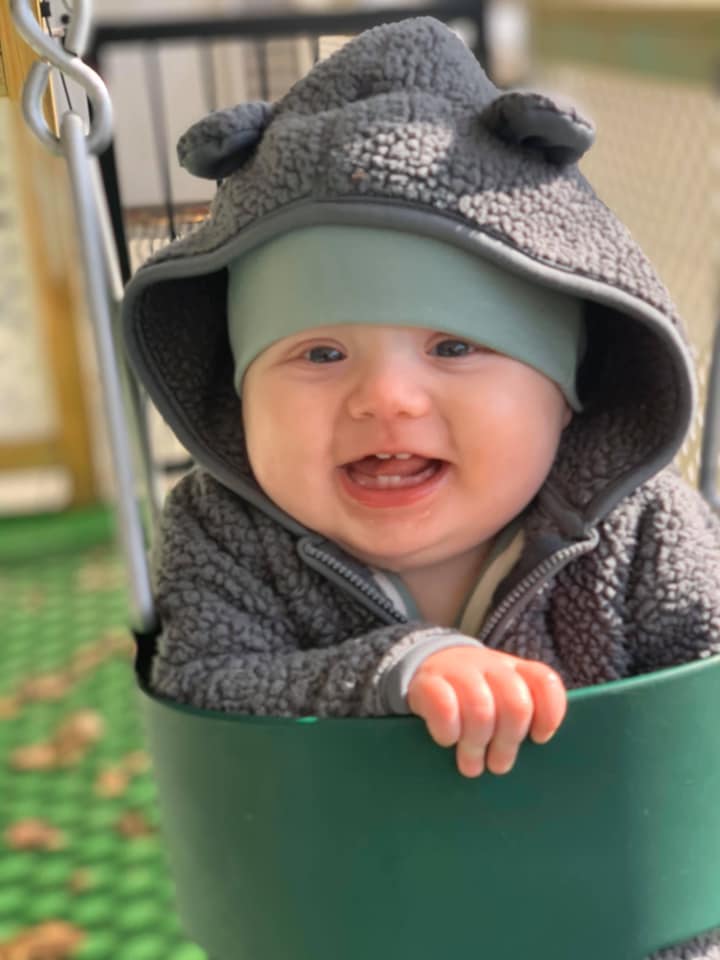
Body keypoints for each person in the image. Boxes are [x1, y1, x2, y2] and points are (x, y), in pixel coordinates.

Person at [122, 17, 720, 957]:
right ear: (240, 403)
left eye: (455, 345)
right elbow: (209, 688)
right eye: (318, 352)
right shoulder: (224, 535)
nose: (387, 399)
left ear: (566, 394)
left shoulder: (645, 533)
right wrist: (399, 669)